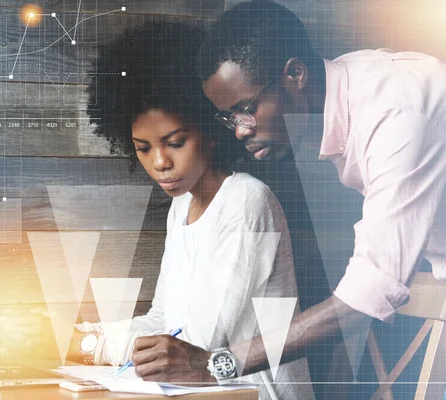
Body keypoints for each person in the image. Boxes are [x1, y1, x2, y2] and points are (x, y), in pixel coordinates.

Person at [129, 0, 446, 390]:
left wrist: (217, 364)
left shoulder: (394, 113)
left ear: (296, 74)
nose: (240, 130)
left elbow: (371, 289)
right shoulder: (348, 89)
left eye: (246, 109)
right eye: (229, 117)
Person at [74, 20, 315, 399]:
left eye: (175, 142)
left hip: (256, 392)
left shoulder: (247, 201)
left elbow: (200, 343)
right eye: (143, 148)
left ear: (212, 130)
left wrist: (99, 346)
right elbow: (164, 321)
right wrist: (88, 341)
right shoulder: (182, 206)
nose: (160, 163)